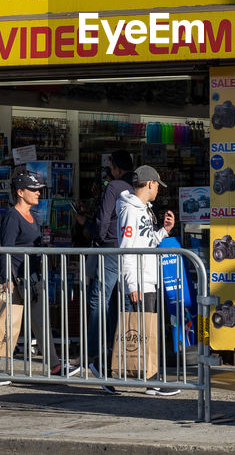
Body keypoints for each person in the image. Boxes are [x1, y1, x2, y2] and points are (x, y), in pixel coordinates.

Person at [0, 170, 78, 377]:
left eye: (38, 189)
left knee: (41, 322)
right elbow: (7, 247)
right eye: (33, 190)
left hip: (31, 279)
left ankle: (55, 366)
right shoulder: (13, 216)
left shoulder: (31, 215)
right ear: (20, 192)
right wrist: (7, 279)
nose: (38, 193)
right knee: (4, 325)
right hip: (13, 279)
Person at [116, 165, 177, 396]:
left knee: (143, 330)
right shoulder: (131, 210)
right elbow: (127, 248)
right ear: (150, 184)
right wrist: (132, 283)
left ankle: (106, 369)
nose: (158, 191)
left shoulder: (141, 208)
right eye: (157, 186)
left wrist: (164, 231)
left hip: (147, 278)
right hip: (141, 279)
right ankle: (151, 380)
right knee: (145, 331)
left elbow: (145, 240)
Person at [87, 149, 135, 383]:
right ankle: (125, 350)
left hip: (110, 247)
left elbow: (104, 217)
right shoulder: (136, 186)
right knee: (123, 300)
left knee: (100, 297)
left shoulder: (114, 187)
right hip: (128, 248)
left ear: (115, 168)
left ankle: (95, 350)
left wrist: (98, 235)